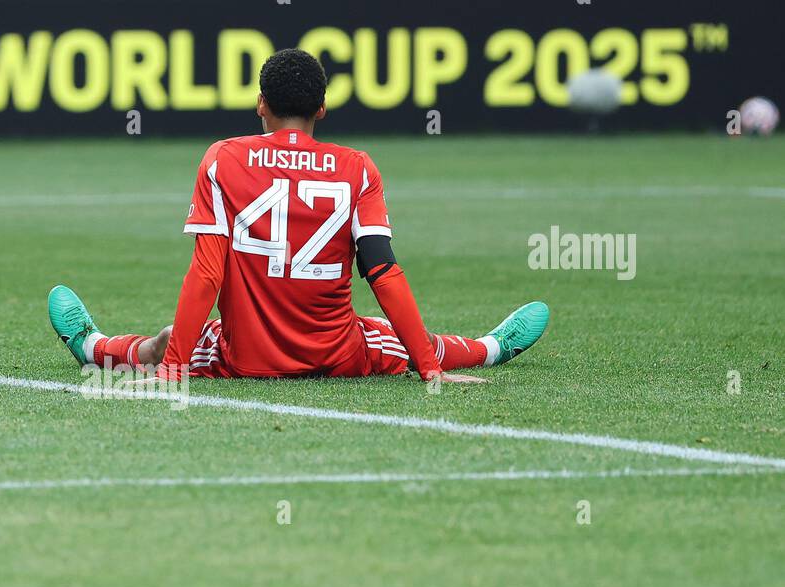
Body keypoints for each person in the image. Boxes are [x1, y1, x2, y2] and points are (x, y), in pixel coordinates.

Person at [48, 48, 548, 384]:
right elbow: (382, 270)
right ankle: (490, 348)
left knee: (162, 343)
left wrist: (174, 367)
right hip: (338, 354)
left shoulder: (223, 158)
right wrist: (428, 369)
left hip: (242, 355)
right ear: (323, 109)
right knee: (406, 341)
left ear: (260, 104)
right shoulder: (357, 168)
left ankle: (92, 346)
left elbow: (206, 271)